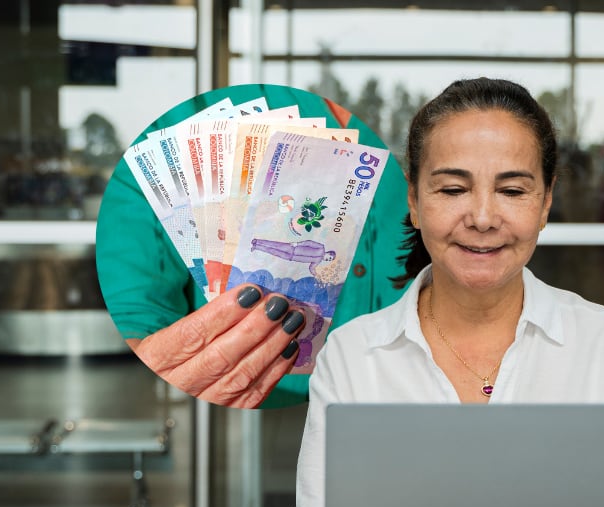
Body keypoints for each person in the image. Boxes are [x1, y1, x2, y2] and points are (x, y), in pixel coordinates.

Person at [286, 77, 604, 507]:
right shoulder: (354, 355)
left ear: (546, 202)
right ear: (416, 203)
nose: (483, 218)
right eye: (452, 188)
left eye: (511, 190)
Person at [95, 84, 409, 409]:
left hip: (398, 399)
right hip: (249, 415)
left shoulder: (406, 136)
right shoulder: (174, 131)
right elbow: (136, 325)